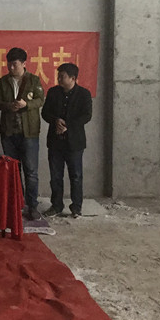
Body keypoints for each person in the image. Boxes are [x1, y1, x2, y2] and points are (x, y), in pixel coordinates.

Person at [0, 47, 45, 220]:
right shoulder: (3, 81)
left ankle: (32, 206)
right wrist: (9, 106)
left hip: (29, 131)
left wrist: (26, 105)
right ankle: (17, 204)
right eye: (9, 64)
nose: (11, 67)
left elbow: (40, 100)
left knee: (31, 171)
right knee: (13, 170)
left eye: (14, 64)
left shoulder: (33, 80)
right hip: (9, 131)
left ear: (24, 63)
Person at [41, 62, 92, 218]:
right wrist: (55, 121)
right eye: (58, 76)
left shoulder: (84, 94)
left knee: (75, 176)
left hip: (74, 142)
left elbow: (87, 115)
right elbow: (45, 113)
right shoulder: (53, 92)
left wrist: (67, 125)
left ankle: (76, 207)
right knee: (56, 177)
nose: (59, 79)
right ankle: (56, 206)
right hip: (55, 141)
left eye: (62, 76)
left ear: (73, 78)